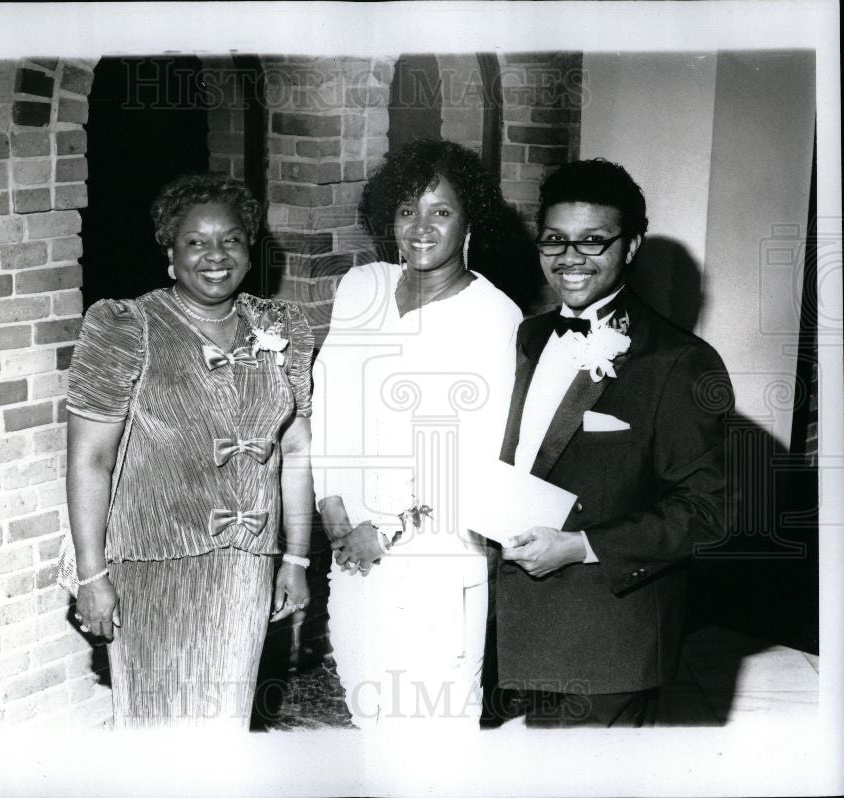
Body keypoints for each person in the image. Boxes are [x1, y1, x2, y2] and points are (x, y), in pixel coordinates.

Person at [66, 173, 314, 729]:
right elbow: (90, 460)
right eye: (195, 242)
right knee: (155, 728)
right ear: (170, 254)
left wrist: (295, 557)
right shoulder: (127, 326)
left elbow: (295, 450)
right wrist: (91, 576)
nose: (215, 255)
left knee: (224, 724)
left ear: (250, 253)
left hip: (243, 569)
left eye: (230, 240)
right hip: (152, 566)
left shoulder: (277, 327)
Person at [493, 159, 733, 727]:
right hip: (522, 623)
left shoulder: (680, 361)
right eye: (555, 240)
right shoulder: (529, 335)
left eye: (593, 241)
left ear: (631, 246)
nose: (570, 257)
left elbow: (707, 511)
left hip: (609, 638)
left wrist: (579, 546)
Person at [312, 139, 525, 728]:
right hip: (350, 540)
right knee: (367, 701)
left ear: (470, 220)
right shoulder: (361, 289)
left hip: (437, 551)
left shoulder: (495, 318)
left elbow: (477, 460)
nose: (421, 228)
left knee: (435, 717)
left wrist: (385, 532)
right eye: (407, 211)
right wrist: (334, 511)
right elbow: (328, 402)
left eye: (441, 211)